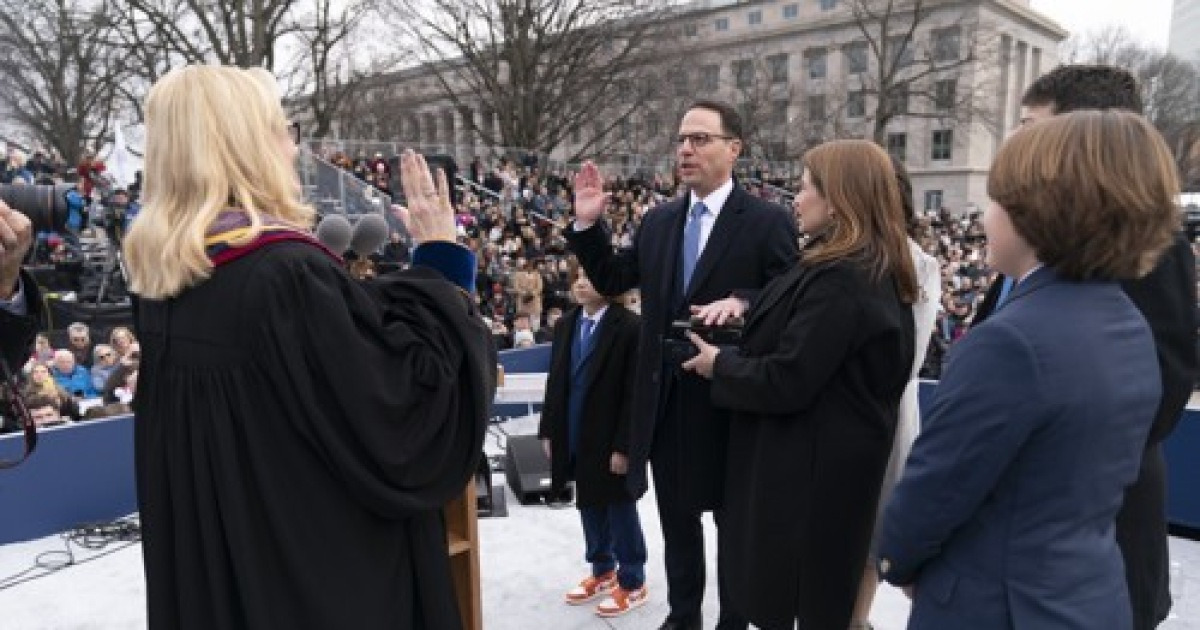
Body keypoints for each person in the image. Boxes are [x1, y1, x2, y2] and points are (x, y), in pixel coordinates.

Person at [122, 65, 495, 630]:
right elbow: (406, 418)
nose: (292, 148)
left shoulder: (163, 282)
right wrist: (442, 257)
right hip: (317, 588)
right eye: (281, 129)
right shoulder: (285, 277)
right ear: (243, 144)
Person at [879, 111, 1180, 629]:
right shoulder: (1125, 321)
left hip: (997, 606)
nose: (984, 218)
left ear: (1038, 212)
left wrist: (898, 560)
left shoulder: (1013, 341)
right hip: (1088, 596)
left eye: (996, 201)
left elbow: (936, 488)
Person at [970, 64, 1199, 630]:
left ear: (1083, 134)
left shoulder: (1150, 246)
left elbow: (1158, 394)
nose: (1015, 141)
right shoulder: (1033, 237)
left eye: (1029, 126)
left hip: (1093, 542)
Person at [565, 99, 799, 630]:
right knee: (678, 525)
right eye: (680, 140)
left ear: (733, 149)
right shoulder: (659, 221)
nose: (686, 149)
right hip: (667, 405)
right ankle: (684, 616)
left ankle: (734, 621)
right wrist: (587, 226)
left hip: (732, 404)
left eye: (700, 139)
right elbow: (611, 278)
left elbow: (791, 292)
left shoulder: (766, 222)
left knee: (735, 528)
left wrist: (743, 298)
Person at [682, 140, 917, 630]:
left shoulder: (846, 276)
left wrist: (719, 365)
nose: (796, 197)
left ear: (840, 198)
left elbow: (789, 377)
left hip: (805, 489)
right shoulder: (844, 267)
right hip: (806, 474)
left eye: (807, 187)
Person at [850, 158, 942, 630]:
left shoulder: (918, 264)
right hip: (844, 422)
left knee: (868, 538)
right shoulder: (837, 255)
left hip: (883, 416)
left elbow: (905, 361)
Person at [538, 267, 648, 618]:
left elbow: (635, 394)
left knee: (618, 505)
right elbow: (555, 381)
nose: (582, 283)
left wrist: (625, 446)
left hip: (609, 434)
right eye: (578, 277)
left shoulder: (630, 327)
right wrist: (548, 430)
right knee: (588, 500)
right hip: (572, 429)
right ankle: (602, 570)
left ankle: (633, 580)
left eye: (591, 276)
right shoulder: (566, 324)